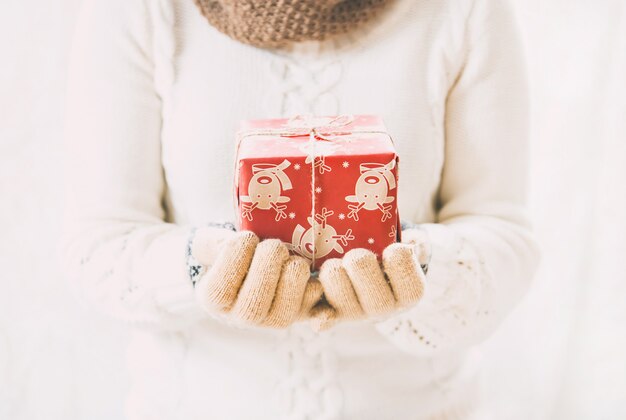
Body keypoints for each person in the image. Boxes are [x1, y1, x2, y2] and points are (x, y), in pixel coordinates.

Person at [62, 0, 539, 418]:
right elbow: (98, 247)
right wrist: (199, 266)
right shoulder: (138, 9)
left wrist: (417, 266)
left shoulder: (465, 9)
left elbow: (504, 234)